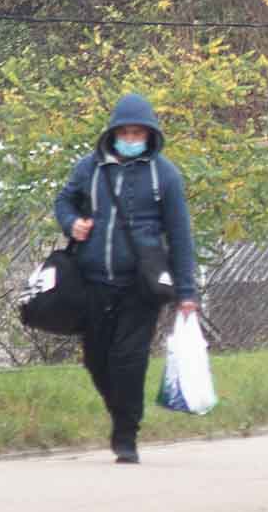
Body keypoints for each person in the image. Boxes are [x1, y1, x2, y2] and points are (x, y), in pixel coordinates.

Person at [54, 93, 200, 464]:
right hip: (93, 280)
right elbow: (64, 201)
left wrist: (187, 291)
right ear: (113, 133)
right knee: (96, 359)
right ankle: (120, 412)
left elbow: (180, 235)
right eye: (126, 132)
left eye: (139, 133)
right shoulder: (90, 168)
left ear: (150, 136)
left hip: (140, 285)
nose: (132, 139)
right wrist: (73, 223)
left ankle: (126, 434)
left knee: (129, 359)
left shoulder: (164, 174)